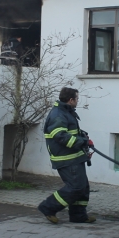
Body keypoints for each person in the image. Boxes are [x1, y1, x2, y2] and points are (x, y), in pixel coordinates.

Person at [37, 87, 96, 224]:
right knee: (76, 187)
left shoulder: (65, 112)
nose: (77, 101)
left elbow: (70, 131)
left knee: (83, 187)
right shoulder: (58, 114)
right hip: (67, 159)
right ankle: (48, 207)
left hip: (74, 157)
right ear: (71, 100)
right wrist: (82, 142)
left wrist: (83, 136)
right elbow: (60, 136)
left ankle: (78, 216)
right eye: (77, 99)